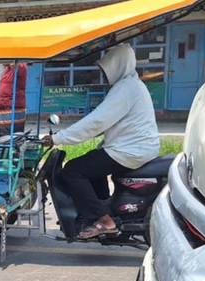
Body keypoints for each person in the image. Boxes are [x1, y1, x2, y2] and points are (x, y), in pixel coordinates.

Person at [42, 44, 160, 240]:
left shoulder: (125, 89)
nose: (104, 76)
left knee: (73, 170)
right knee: (91, 162)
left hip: (130, 150)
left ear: (118, 66)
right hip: (132, 147)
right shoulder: (132, 85)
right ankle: (104, 208)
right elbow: (104, 123)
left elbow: (97, 121)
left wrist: (58, 138)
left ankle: (105, 220)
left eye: (106, 71)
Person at [0, 63, 28, 136]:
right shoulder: (6, 70)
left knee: (10, 137)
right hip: (3, 108)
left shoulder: (21, 66)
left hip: (13, 108)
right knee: (1, 136)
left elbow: (15, 65)